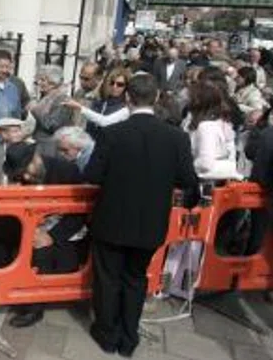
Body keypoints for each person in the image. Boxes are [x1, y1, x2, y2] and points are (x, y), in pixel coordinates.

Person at [84, 73, 199, 357]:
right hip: (150, 222)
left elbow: (92, 175)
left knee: (108, 279)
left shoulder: (112, 133)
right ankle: (128, 337)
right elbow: (188, 180)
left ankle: (107, 333)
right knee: (136, 278)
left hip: (112, 219)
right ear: (157, 97)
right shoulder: (176, 137)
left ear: (127, 98)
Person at [1, 142, 86, 328]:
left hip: (63, 228)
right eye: (20, 173)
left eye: (26, 170)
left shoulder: (66, 171)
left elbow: (80, 212)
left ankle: (34, 309)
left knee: (41, 253)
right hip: (33, 224)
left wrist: (52, 235)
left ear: (36, 158)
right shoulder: (21, 177)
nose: (24, 176)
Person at [65, 66, 131, 139]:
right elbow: (90, 125)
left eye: (120, 84)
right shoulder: (102, 101)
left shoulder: (127, 107)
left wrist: (80, 108)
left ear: (126, 86)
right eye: (112, 83)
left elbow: (104, 121)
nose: (114, 87)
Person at [28, 65, 75, 156]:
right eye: (39, 79)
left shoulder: (62, 99)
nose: (39, 83)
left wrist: (35, 110)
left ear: (53, 83)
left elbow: (52, 125)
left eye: (43, 80)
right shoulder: (44, 98)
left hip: (51, 147)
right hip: (38, 143)